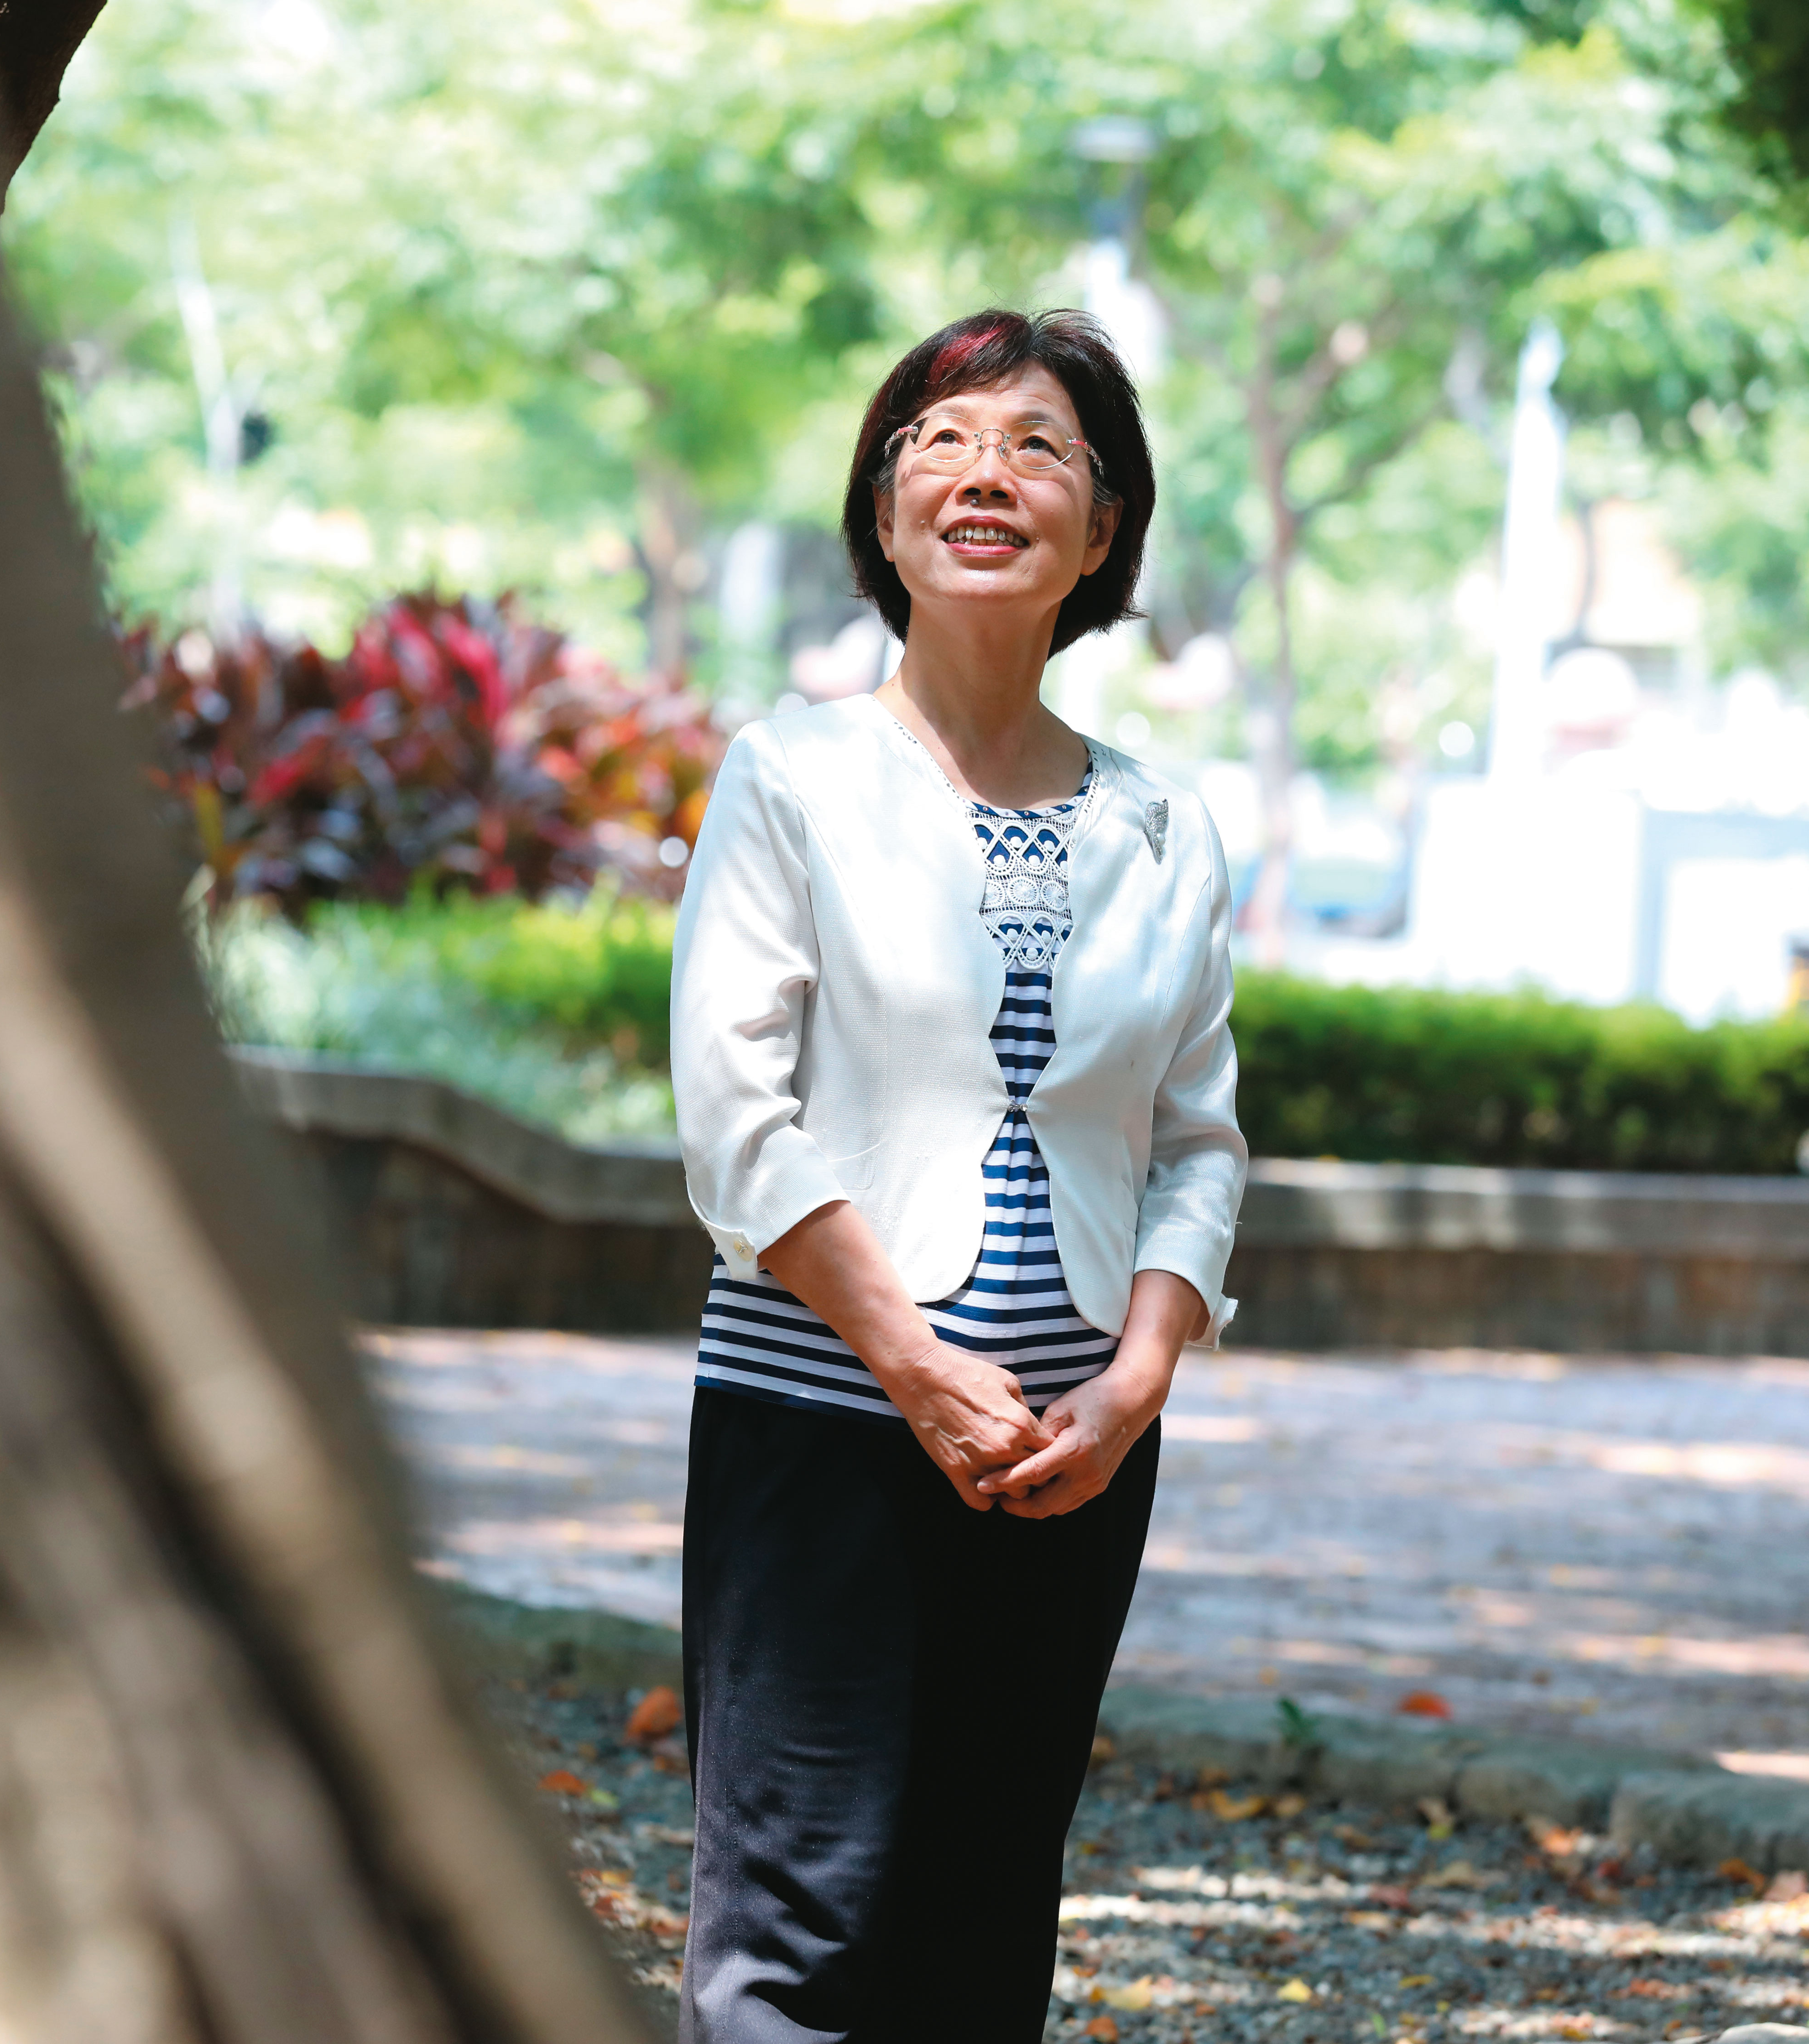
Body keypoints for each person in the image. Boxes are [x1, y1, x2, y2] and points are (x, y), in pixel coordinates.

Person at [667, 308, 1247, 2042]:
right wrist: (913, 1365)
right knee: (794, 1932)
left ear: (1107, 526)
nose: (985, 471)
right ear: (883, 508)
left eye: (1040, 445)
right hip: (823, 1421)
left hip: (1070, 1462)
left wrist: (1136, 1385)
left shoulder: (1166, 827)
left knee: (986, 1923)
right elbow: (735, 1117)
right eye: (939, 437)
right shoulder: (793, 777)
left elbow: (1199, 1138)